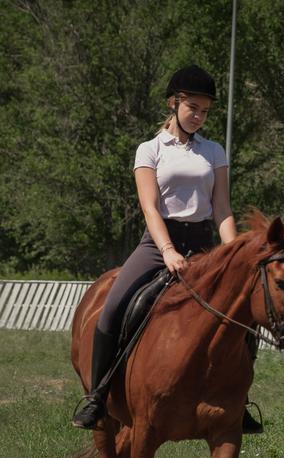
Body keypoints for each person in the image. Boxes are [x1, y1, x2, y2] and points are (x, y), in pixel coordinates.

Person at [72, 64, 262, 433]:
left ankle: (239, 401)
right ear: (173, 103)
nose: (199, 116)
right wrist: (168, 250)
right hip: (158, 243)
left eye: (205, 111)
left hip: (204, 244)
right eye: (193, 108)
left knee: (245, 315)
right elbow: (150, 208)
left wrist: (234, 253)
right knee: (112, 309)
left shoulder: (214, 151)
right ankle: (98, 396)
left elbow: (222, 209)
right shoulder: (150, 150)